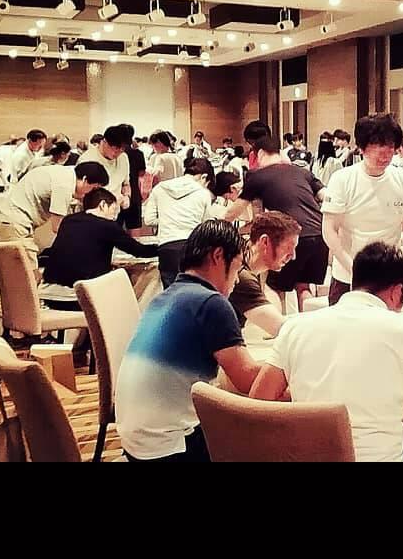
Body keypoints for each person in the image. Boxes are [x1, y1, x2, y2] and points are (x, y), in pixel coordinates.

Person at [250, 242, 403, 461]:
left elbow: (257, 403)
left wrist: (304, 393)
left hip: (308, 457)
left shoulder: (295, 327)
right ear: (397, 292)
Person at [114, 220, 264, 462]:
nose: (237, 280)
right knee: (259, 441)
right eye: (237, 269)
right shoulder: (211, 302)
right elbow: (247, 380)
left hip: (136, 442)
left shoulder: (164, 297)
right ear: (218, 256)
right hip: (168, 448)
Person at [322, 114, 403, 304]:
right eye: (378, 148)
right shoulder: (342, 179)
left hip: (389, 278)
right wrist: (354, 269)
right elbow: (329, 230)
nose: (385, 155)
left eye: (390, 148)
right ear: (361, 148)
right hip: (347, 276)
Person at [225, 134, 329, 312]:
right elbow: (326, 196)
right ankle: (306, 327)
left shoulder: (257, 176)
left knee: (274, 287)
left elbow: (233, 211)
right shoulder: (302, 172)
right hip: (320, 234)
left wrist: (217, 226)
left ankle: (278, 328)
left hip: (289, 236)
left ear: (260, 153)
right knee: (303, 287)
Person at [37, 187, 159, 305]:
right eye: (113, 210)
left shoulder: (69, 220)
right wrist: (162, 247)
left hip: (49, 295)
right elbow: (139, 251)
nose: (114, 216)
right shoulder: (108, 226)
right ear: (103, 205)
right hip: (82, 298)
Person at [0, 147, 109, 263]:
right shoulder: (64, 185)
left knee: (18, 270)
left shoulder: (66, 173)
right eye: (93, 188)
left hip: (10, 219)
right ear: (84, 179)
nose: (91, 193)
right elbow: (57, 226)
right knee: (28, 269)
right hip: (15, 224)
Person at [143, 157, 219, 288]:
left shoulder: (160, 188)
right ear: (204, 177)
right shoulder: (203, 193)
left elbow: (149, 220)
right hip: (192, 247)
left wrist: (167, 219)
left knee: (171, 292)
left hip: (166, 248)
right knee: (193, 291)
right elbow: (205, 226)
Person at [227, 211, 301, 337]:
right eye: (288, 248)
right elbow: (282, 329)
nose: (293, 256)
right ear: (265, 242)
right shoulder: (241, 277)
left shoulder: (242, 258)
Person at [74, 124, 132, 212]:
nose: (117, 153)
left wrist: (127, 196)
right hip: (93, 212)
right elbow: (80, 192)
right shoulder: (87, 159)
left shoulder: (123, 158)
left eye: (122, 150)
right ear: (104, 142)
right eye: (115, 148)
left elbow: (126, 183)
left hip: (113, 212)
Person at [119, 125, 145, 231]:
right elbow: (142, 173)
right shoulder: (138, 154)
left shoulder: (115, 155)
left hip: (117, 195)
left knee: (115, 231)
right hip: (134, 194)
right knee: (134, 230)